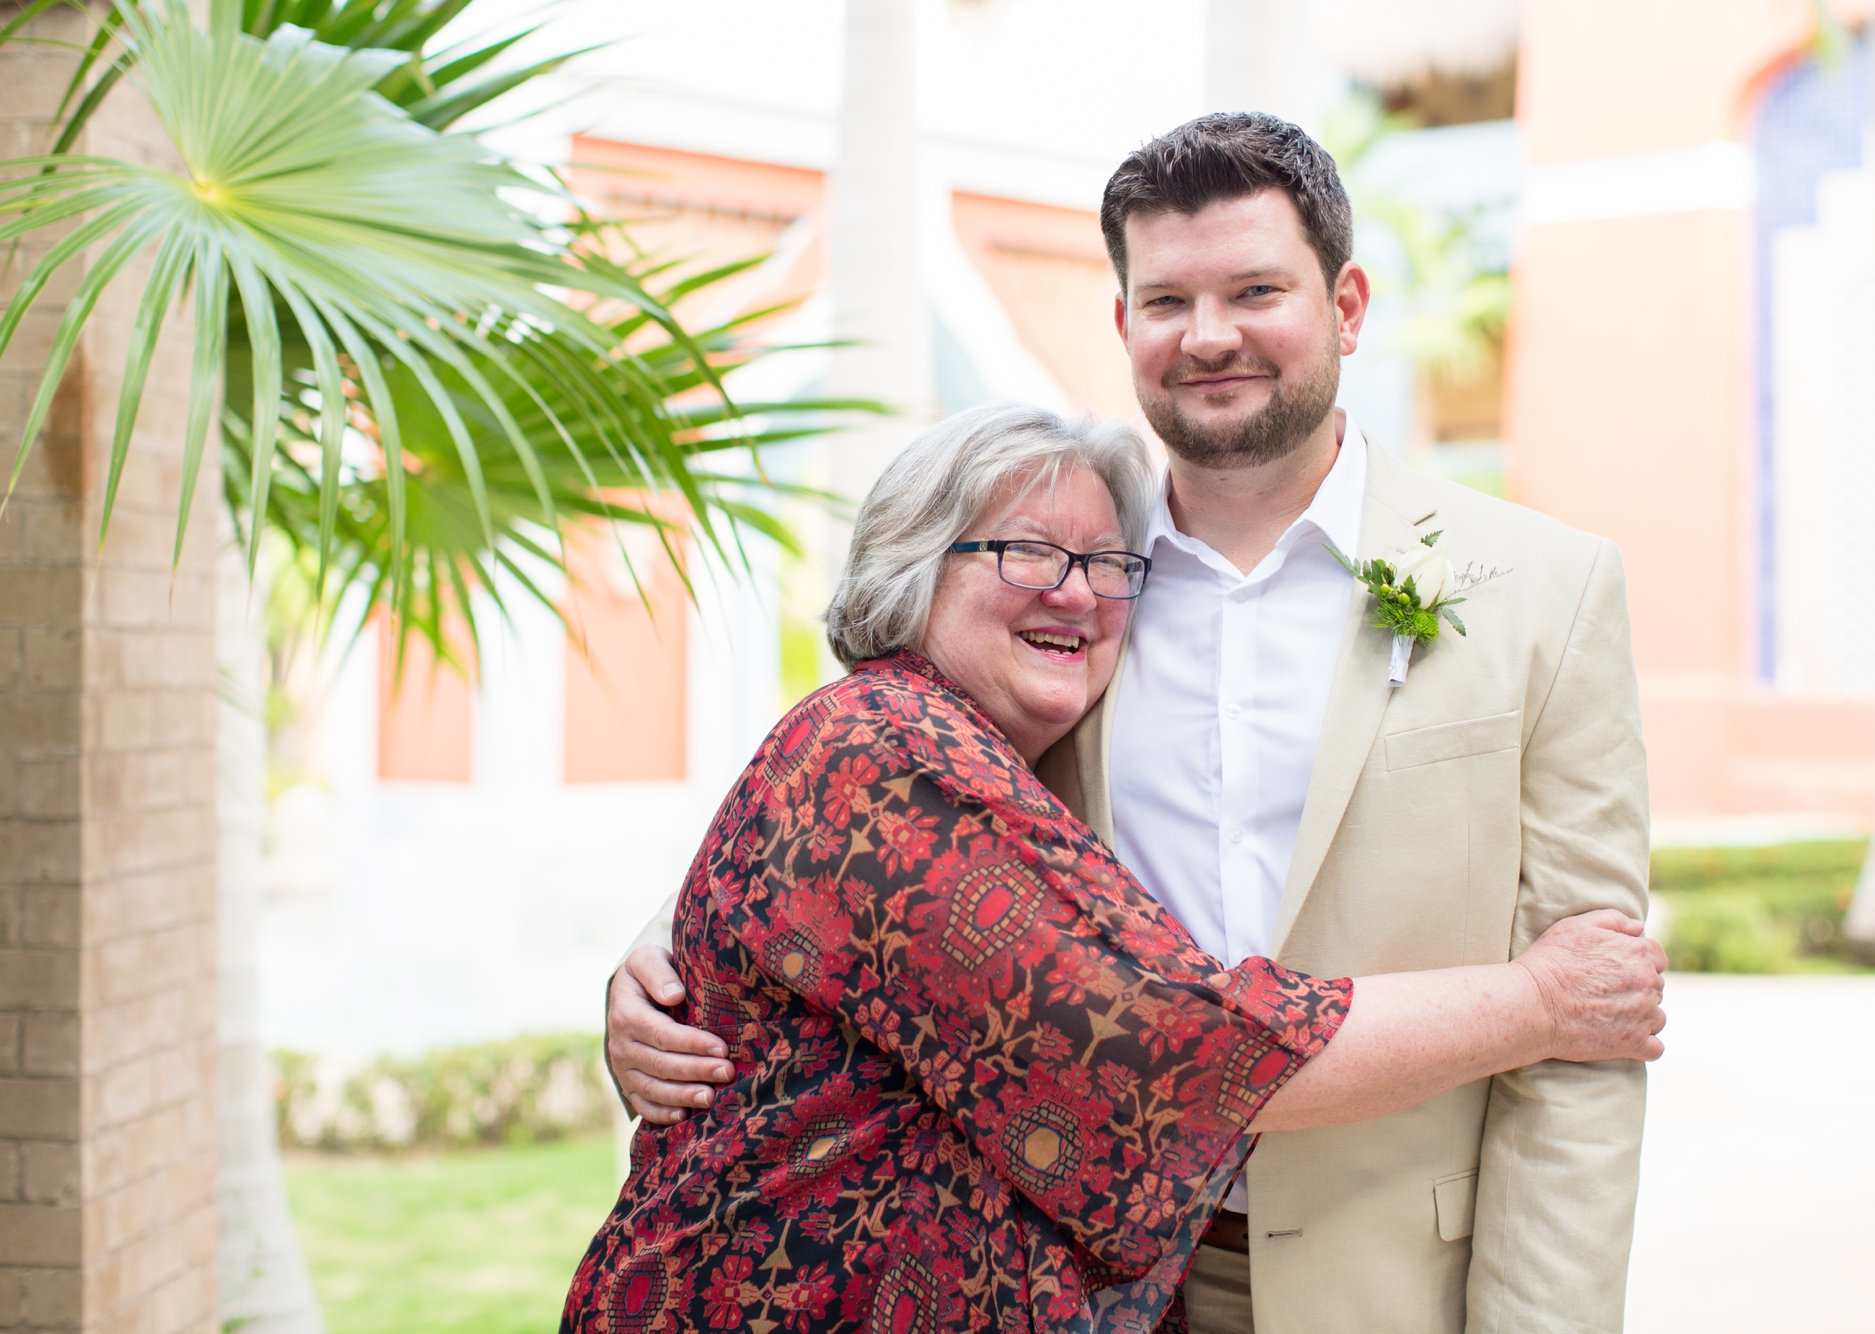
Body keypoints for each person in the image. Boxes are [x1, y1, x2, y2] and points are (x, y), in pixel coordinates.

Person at [606, 116, 1657, 1334]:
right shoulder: (1061, 602)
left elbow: (1586, 1050)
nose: (1207, 336)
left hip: (1401, 1281)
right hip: (1095, 1280)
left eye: (1254, 289)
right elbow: (899, 842)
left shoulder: (1547, 587)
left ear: (1347, 303)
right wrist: (668, 956)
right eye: (1165, 299)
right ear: (1122, 326)